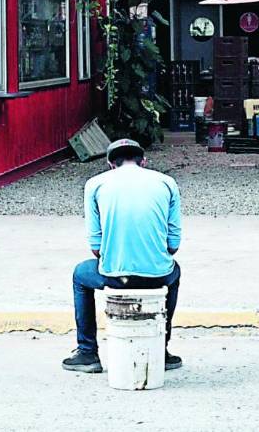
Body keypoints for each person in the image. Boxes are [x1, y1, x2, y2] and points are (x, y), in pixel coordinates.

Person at [63, 138, 183, 374]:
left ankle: (87, 352)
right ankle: (161, 348)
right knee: (174, 271)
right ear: (144, 162)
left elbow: (96, 249)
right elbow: (173, 245)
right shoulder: (167, 183)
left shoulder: (95, 184)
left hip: (115, 276)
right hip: (157, 277)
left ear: (110, 164)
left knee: (80, 275)